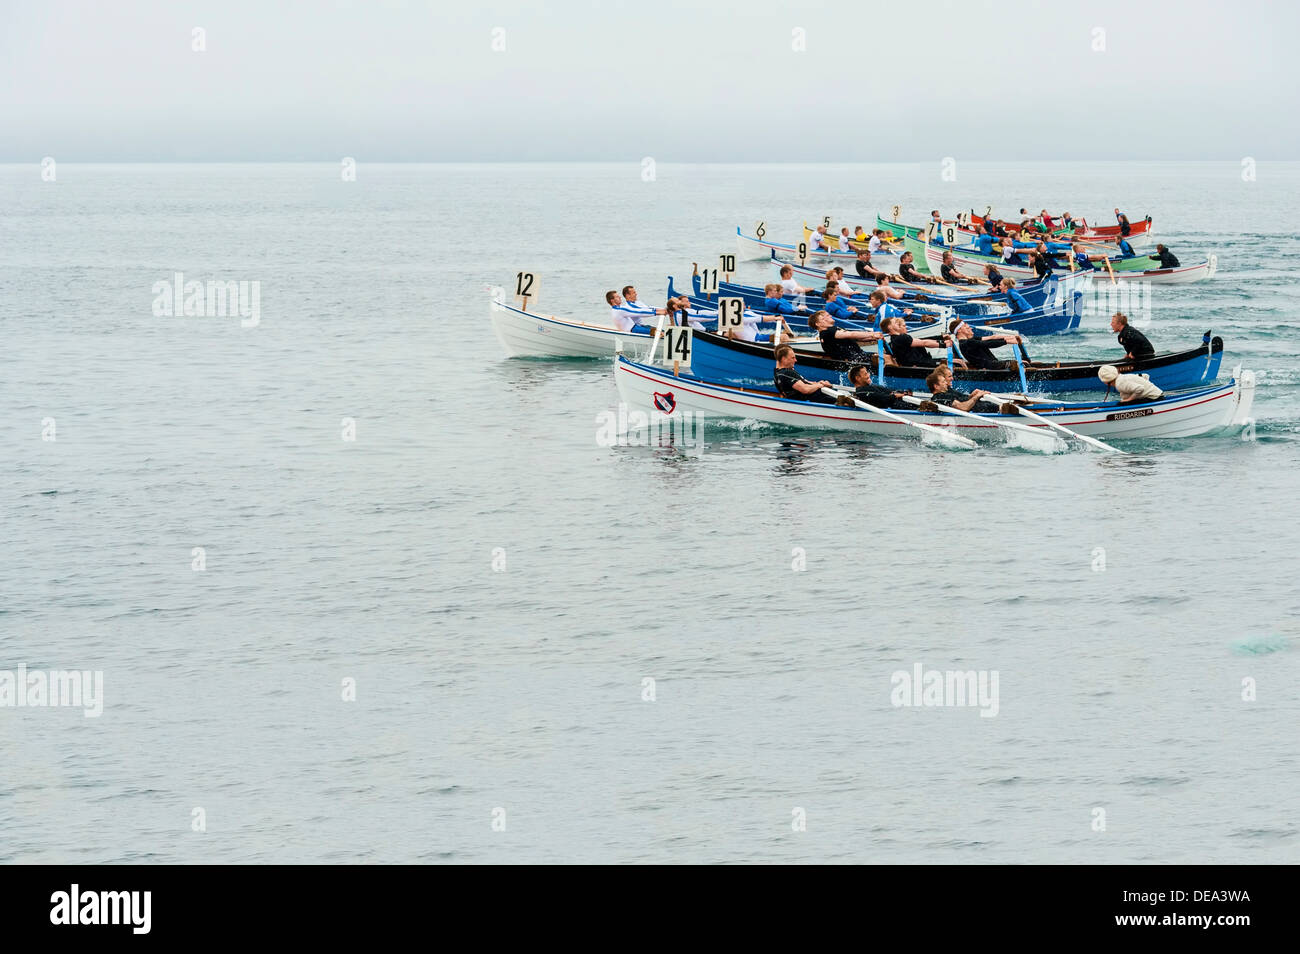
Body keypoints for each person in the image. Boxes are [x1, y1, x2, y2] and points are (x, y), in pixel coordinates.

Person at [880, 313, 953, 367]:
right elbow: (924, 343)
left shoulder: (895, 340)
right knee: (953, 363)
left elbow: (921, 340)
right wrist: (944, 345)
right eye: (895, 323)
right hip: (919, 364)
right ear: (890, 327)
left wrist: (940, 337)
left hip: (917, 364)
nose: (897, 323)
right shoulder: (901, 338)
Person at [948, 319, 1024, 370]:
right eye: (965, 326)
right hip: (989, 367)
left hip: (993, 365)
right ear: (959, 330)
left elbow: (992, 337)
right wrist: (1007, 341)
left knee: (1024, 363)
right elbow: (988, 344)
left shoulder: (971, 341)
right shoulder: (966, 343)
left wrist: (1012, 337)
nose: (969, 328)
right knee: (1016, 364)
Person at [809, 310, 883, 361]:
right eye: (827, 316)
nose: (830, 316)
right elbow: (852, 334)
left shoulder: (833, 330)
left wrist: (873, 338)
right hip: (853, 360)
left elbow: (857, 339)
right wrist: (872, 334)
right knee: (887, 358)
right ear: (818, 324)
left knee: (886, 357)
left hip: (858, 356)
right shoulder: (827, 332)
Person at [773, 344, 837, 403]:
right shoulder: (786, 373)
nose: (796, 360)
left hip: (819, 397)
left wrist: (820, 383)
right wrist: (821, 385)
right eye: (793, 358)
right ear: (784, 359)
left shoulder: (778, 373)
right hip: (817, 400)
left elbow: (805, 383)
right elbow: (805, 389)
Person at [925, 365, 1003, 413]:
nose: (952, 379)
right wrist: (976, 397)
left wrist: (972, 395)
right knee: (1000, 407)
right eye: (945, 379)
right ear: (936, 386)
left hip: (980, 407)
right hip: (977, 410)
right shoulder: (940, 397)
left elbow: (962, 399)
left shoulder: (948, 392)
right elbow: (963, 407)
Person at [844, 364, 910, 409]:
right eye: (865, 374)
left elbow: (889, 391)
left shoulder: (873, 386)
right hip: (894, 407)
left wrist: (903, 393)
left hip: (898, 404)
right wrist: (897, 395)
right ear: (858, 378)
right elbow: (884, 398)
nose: (868, 375)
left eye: (868, 373)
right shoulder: (861, 392)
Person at [1098, 365, 1163, 403]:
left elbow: (1140, 388)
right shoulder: (1123, 377)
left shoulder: (1120, 384)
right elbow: (1145, 376)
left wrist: (1129, 399)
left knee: (1121, 404)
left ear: (1105, 381)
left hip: (1154, 398)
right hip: (1158, 394)